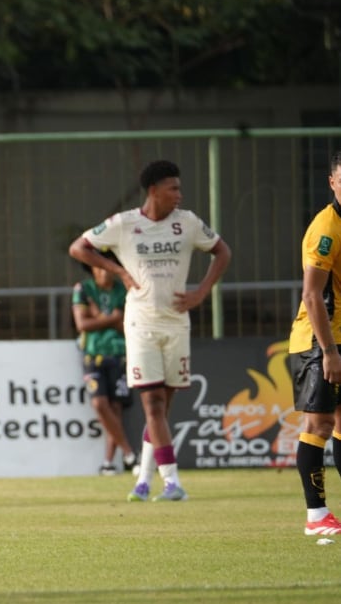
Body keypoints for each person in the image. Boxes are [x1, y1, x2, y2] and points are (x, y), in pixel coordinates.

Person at [69, 159, 232, 502]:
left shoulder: (186, 224)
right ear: (154, 190)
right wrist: (119, 271)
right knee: (153, 404)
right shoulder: (125, 224)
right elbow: (78, 247)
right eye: (173, 188)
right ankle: (172, 483)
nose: (179, 194)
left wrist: (201, 291)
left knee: (161, 408)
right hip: (140, 322)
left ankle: (143, 481)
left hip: (176, 322)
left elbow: (222, 251)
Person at [287, 151, 341, 536]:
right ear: (333, 182)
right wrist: (329, 351)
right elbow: (311, 296)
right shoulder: (326, 228)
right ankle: (316, 516)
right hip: (318, 339)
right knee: (320, 422)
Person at [71, 253, 138, 476]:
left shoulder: (122, 289)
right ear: (92, 269)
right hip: (93, 355)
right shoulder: (84, 289)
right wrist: (111, 318)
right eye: (99, 268)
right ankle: (129, 454)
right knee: (100, 404)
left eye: (108, 267)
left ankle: (108, 463)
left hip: (120, 353)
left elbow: (126, 326)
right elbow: (82, 325)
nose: (104, 272)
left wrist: (97, 314)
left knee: (116, 407)